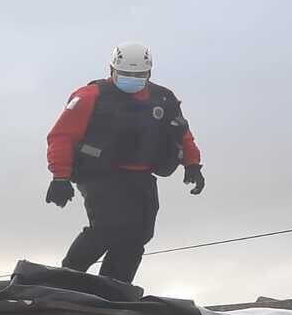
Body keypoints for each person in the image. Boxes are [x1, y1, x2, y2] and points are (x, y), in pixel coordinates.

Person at [45, 41, 205, 284]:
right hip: (99, 173)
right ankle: (68, 277)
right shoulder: (90, 97)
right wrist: (60, 177)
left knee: (138, 234)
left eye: (138, 75)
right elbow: (62, 136)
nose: (132, 78)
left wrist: (193, 164)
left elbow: (181, 132)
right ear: (112, 70)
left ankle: (114, 286)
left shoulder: (163, 98)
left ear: (149, 73)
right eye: (126, 74)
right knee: (107, 227)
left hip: (140, 174)